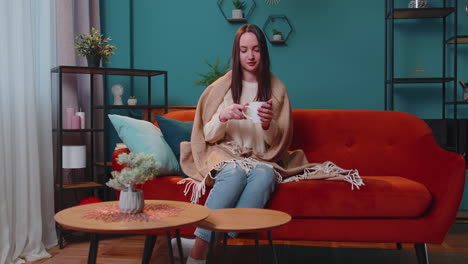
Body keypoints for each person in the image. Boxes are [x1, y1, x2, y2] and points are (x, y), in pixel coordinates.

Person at [177, 24, 364, 264]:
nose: (250, 56)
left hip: (261, 158)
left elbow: (279, 143)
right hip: (225, 153)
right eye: (244, 50)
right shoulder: (221, 89)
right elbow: (207, 136)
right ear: (237, 53)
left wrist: (267, 125)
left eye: (255, 49)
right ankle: (198, 253)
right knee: (234, 173)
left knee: (265, 176)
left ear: (263, 52)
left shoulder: (277, 90)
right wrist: (223, 117)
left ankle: (201, 242)